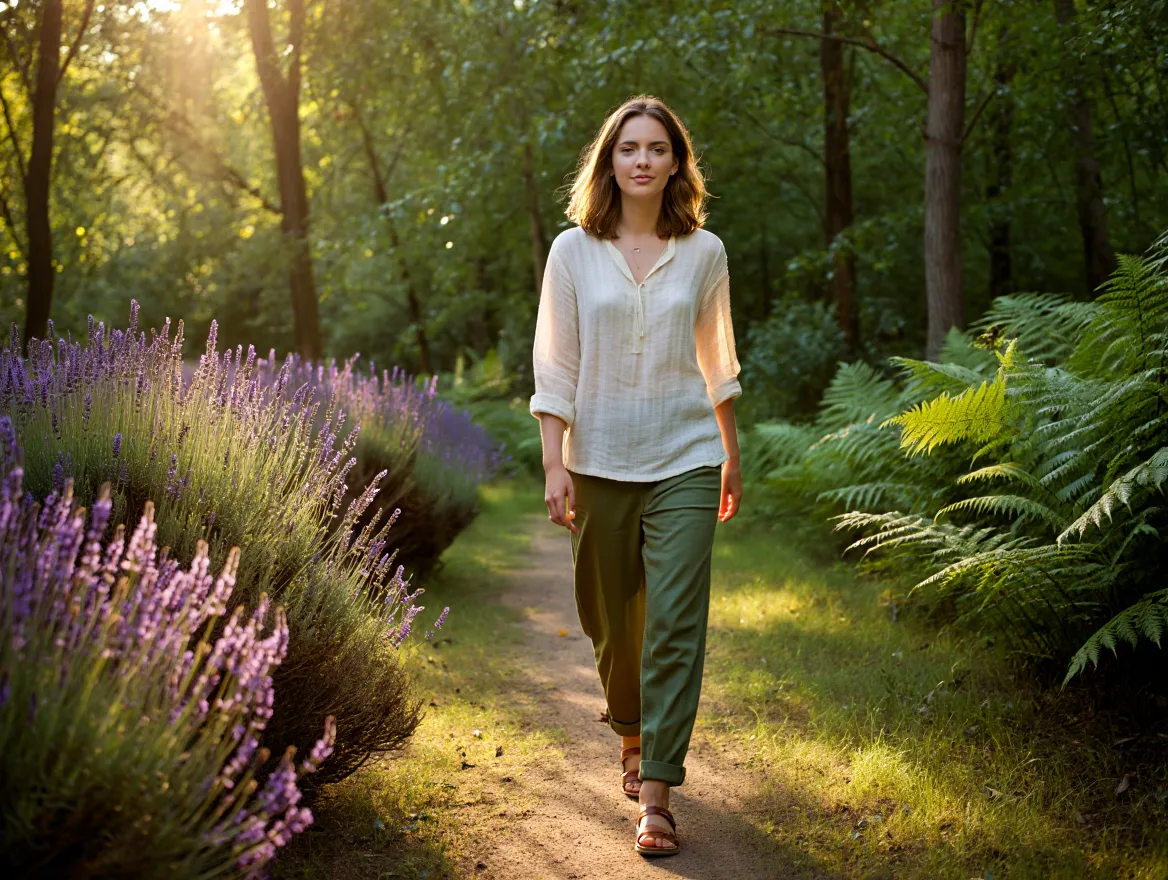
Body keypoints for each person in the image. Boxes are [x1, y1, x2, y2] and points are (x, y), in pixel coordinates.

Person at [529, 94, 743, 857]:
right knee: (612, 622)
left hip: (686, 456)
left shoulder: (705, 251)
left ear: (677, 162)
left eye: (658, 147)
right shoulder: (572, 251)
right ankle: (629, 728)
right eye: (629, 148)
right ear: (610, 161)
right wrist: (555, 461)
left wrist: (731, 450)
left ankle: (656, 793)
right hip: (600, 461)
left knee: (676, 623)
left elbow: (718, 363)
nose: (644, 159)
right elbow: (555, 363)